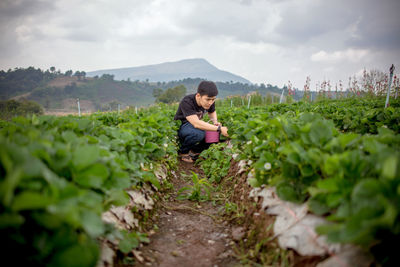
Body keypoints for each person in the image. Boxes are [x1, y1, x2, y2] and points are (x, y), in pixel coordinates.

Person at [174, 80, 229, 163]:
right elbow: (196, 123)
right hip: (184, 126)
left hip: (195, 126)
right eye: (208, 99)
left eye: (213, 99)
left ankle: (195, 151)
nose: (210, 102)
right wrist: (219, 128)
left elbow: (212, 111)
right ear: (198, 95)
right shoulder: (187, 101)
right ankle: (183, 152)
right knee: (198, 134)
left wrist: (215, 122)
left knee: (215, 135)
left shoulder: (210, 102)